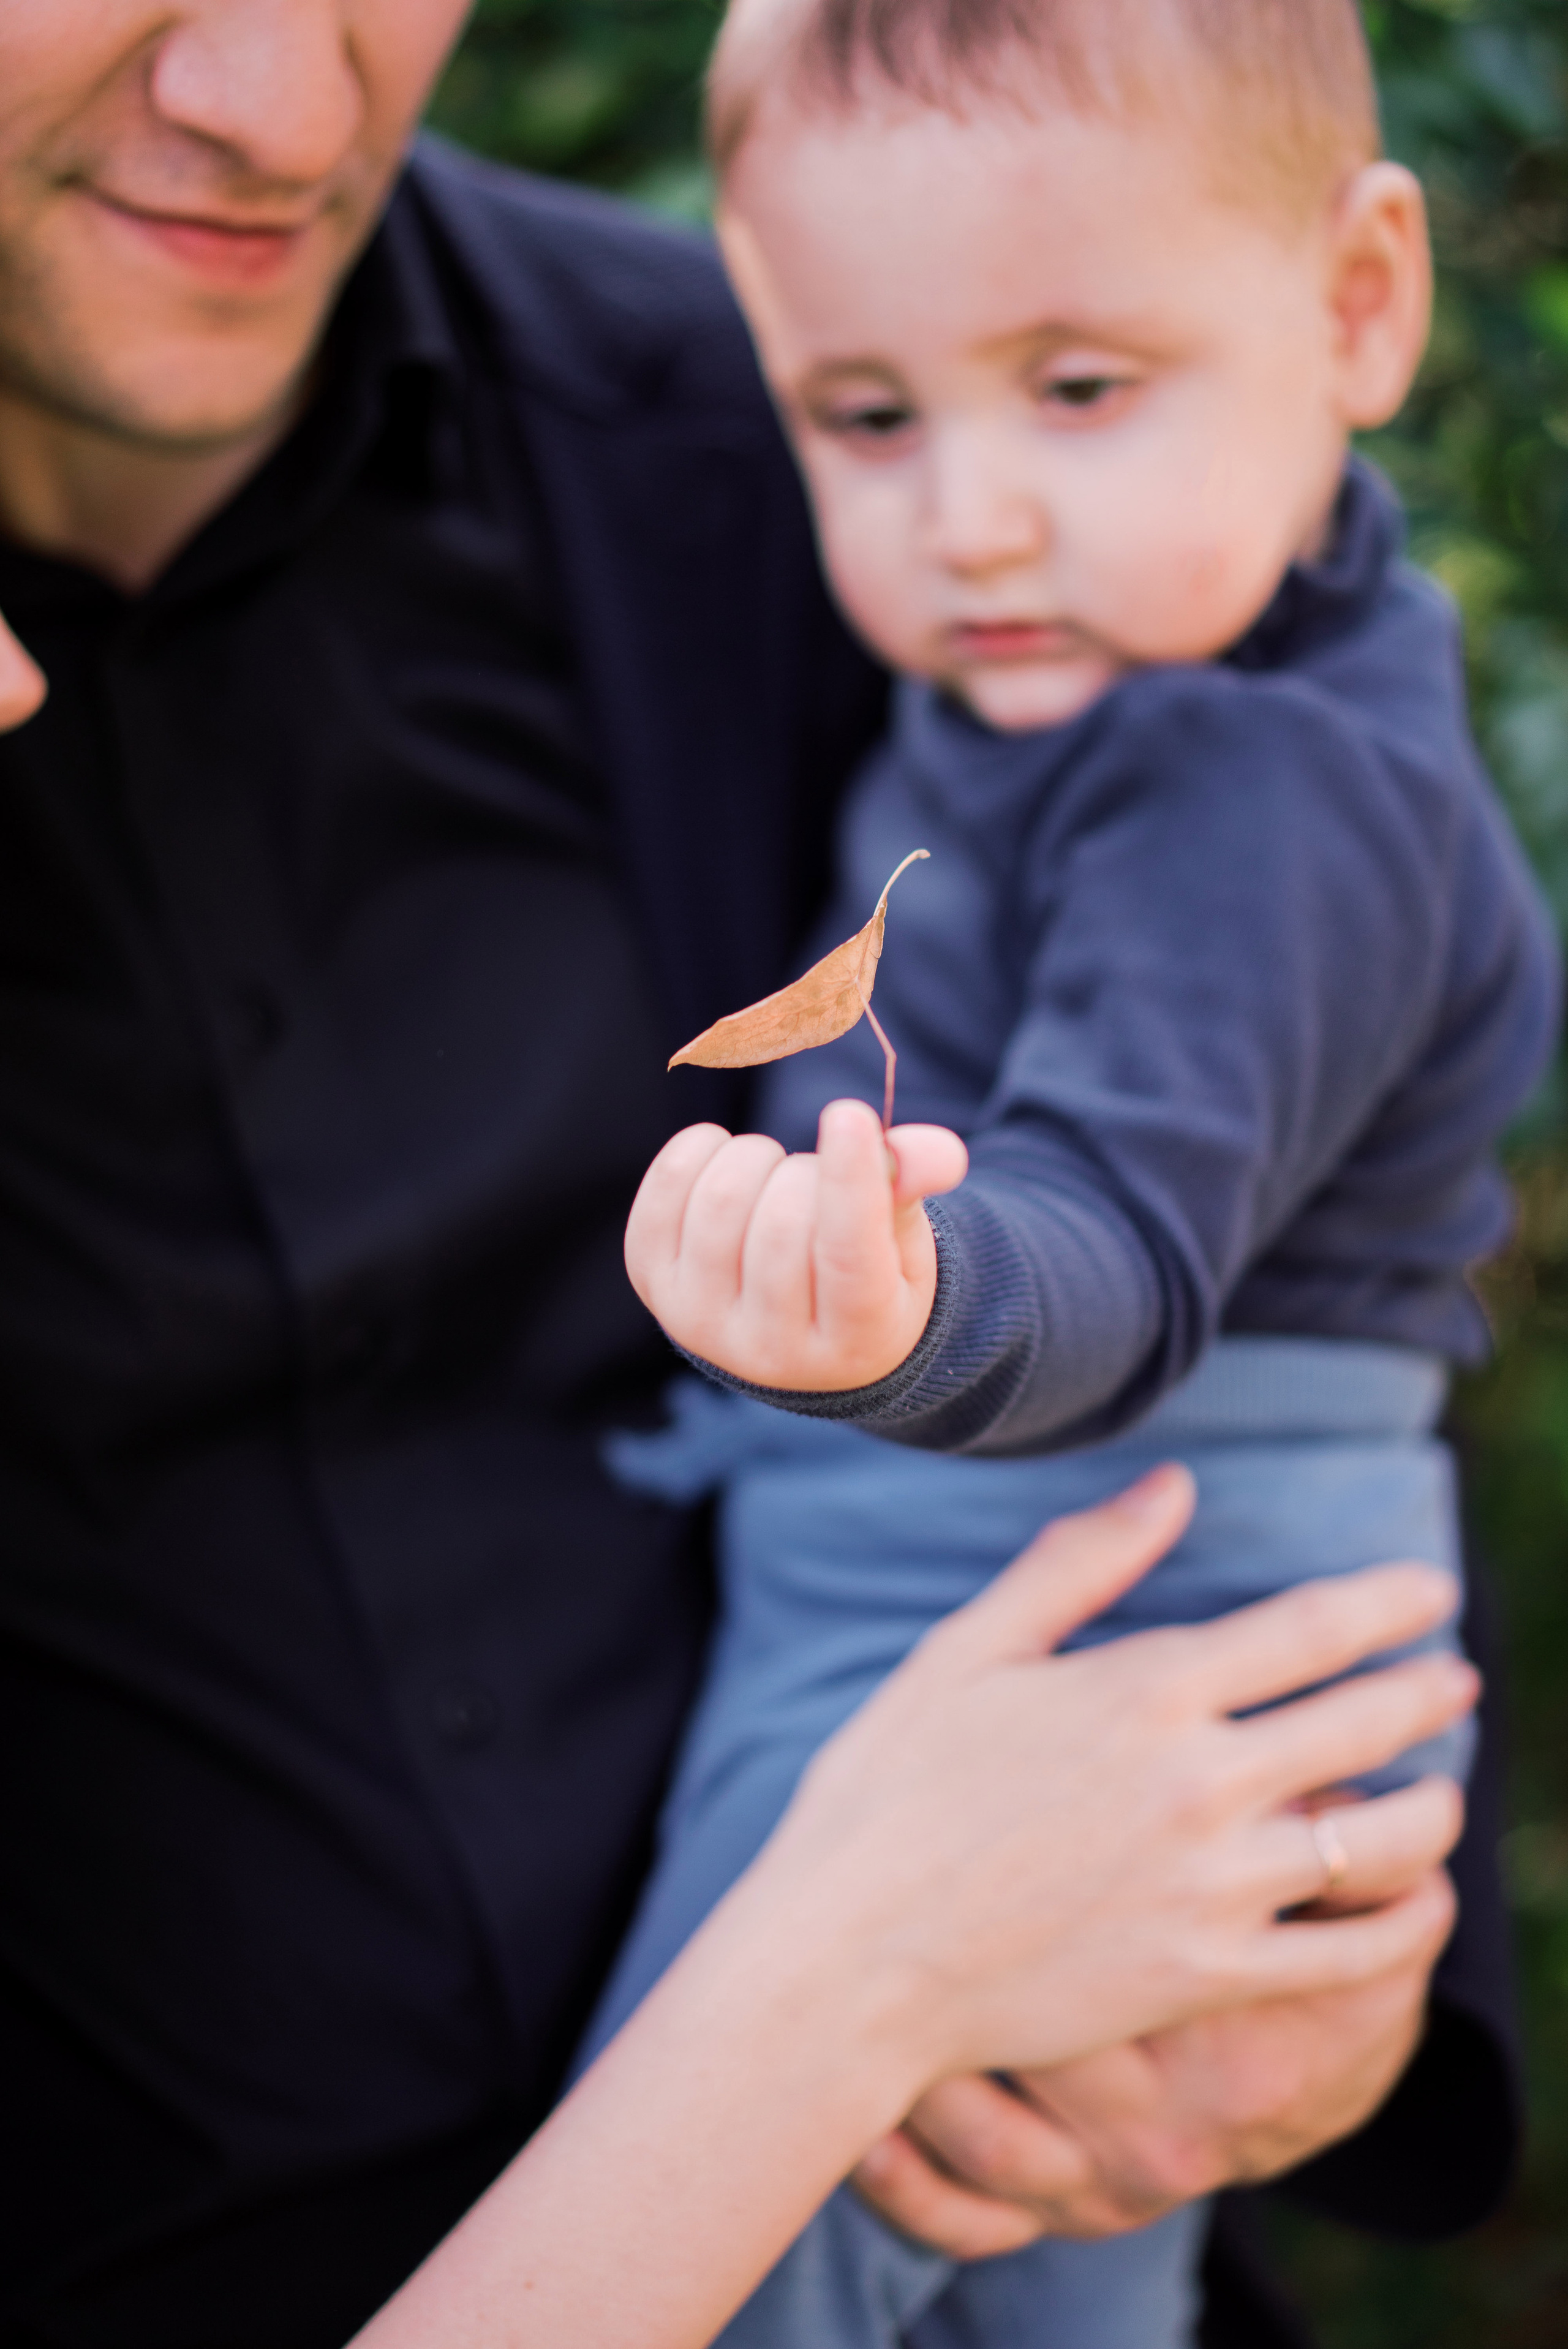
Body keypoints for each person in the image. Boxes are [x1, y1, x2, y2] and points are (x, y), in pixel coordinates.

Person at [0, 3, 1523, 2344]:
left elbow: (1246, 1149)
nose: (281, 106)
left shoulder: (750, 400)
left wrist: (1349, 1957)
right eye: (879, 426)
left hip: (1037, 1826)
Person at [610, 0, 1560, 2342]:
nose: (976, 517)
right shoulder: (1147, 657)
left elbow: (1128, 1236)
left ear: (1358, 305)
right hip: (1055, 1579)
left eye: (1079, 386)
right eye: (869, 415)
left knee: (735, 2249)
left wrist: (912, 1308)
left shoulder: (1246, 781)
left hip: (1055, 1596)